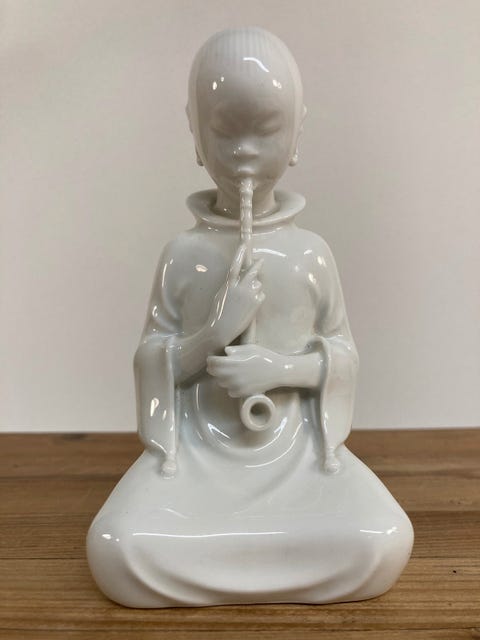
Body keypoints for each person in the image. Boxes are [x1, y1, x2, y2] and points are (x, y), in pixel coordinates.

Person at [87, 27, 413, 608]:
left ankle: (259, 553)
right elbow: (152, 359)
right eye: (223, 131)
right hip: (197, 459)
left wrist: (280, 370)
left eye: (265, 131)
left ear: (296, 135)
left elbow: (341, 355)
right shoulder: (183, 255)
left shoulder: (310, 254)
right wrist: (213, 333)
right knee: (117, 547)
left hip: (295, 456)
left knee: (382, 540)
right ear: (194, 134)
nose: (243, 151)